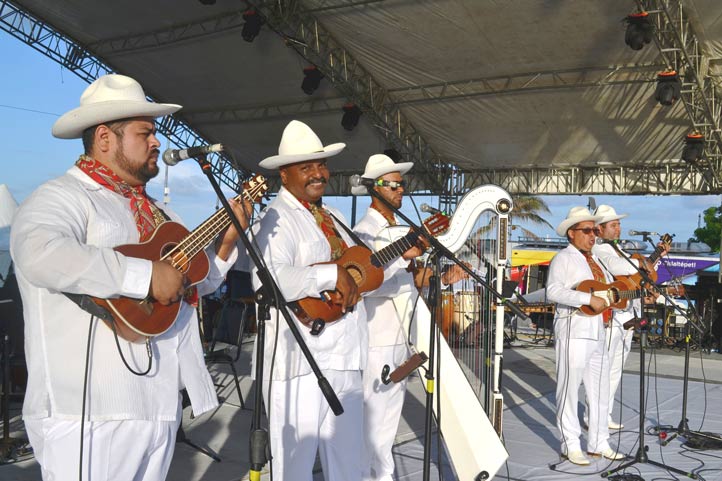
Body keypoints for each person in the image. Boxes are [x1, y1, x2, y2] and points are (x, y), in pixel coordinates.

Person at [10, 74, 249, 481]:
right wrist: (145, 275)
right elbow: (38, 252)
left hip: (158, 404)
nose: (157, 141)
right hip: (89, 411)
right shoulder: (61, 196)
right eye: (145, 133)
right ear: (105, 138)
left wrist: (225, 246)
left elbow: (193, 283)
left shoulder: (160, 212)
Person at [251, 120, 367, 481]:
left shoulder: (333, 217)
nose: (318, 174)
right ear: (284, 175)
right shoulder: (276, 218)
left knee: (351, 467)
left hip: (345, 356)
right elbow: (268, 278)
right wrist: (329, 275)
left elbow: (360, 271)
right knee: (294, 470)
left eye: (321, 165)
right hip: (298, 363)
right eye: (306, 167)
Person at [351, 154, 467, 481]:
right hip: (377, 339)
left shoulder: (398, 230)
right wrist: (403, 259)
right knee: (372, 424)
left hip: (402, 337)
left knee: (388, 424)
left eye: (402, 184)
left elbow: (411, 280)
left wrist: (443, 279)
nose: (401, 189)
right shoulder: (364, 232)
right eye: (394, 185)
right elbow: (364, 287)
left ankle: (382, 476)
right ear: (375, 188)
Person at [546, 206, 624, 465]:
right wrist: (587, 298)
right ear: (572, 232)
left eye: (595, 231)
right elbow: (553, 291)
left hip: (599, 330)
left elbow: (607, 292)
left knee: (600, 391)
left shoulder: (598, 260)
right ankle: (570, 444)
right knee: (569, 390)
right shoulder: (563, 258)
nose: (593, 235)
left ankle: (599, 442)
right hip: (574, 330)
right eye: (587, 230)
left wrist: (622, 298)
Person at [589, 204, 669, 431]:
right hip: (612, 316)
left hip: (629, 314)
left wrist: (656, 257)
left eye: (619, 224)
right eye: (613, 225)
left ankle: (605, 414)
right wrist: (643, 262)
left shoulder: (619, 250)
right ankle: (593, 416)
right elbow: (620, 267)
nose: (618, 228)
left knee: (615, 370)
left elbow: (635, 278)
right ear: (599, 228)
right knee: (604, 369)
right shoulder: (599, 249)